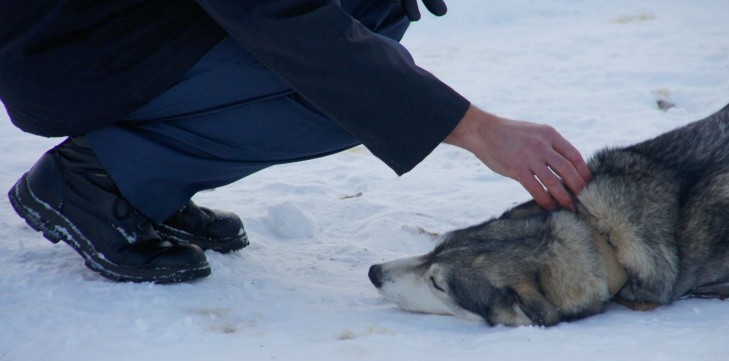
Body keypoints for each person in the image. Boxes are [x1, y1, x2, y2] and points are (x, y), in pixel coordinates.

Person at [1, 0, 592, 283]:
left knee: (375, 20)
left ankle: (144, 174)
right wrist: (478, 128)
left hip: (122, 27)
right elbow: (281, 18)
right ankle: (93, 180)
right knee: (351, 92)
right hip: (65, 49)